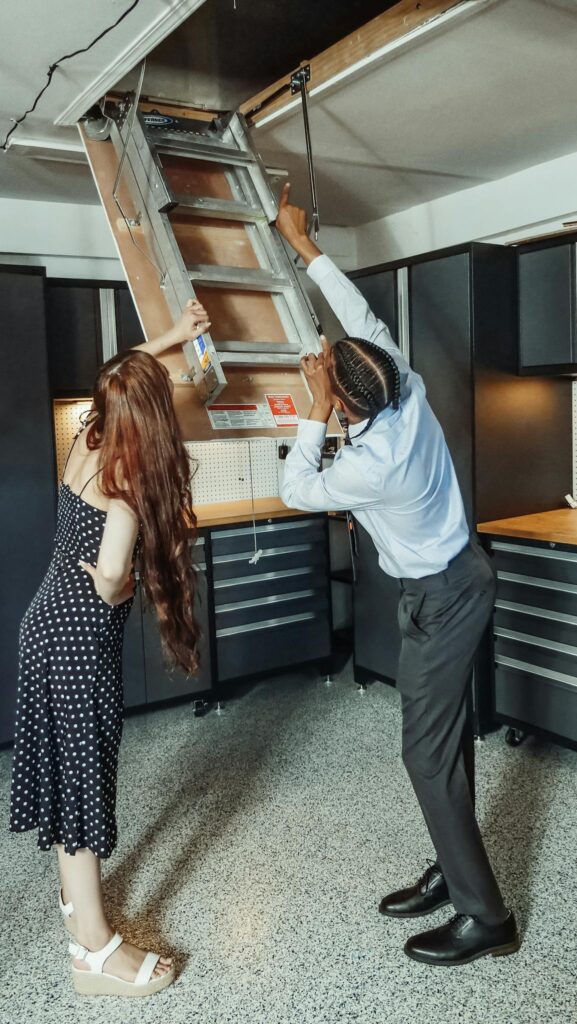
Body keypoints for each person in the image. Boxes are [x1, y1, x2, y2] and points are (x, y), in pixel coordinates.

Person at [276, 183, 519, 967]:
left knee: (424, 754)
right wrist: (303, 245)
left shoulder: (370, 465)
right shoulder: (403, 390)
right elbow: (365, 322)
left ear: (349, 407)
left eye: (332, 391)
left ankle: (486, 918)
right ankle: (455, 872)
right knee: (442, 744)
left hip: (447, 594)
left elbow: (295, 490)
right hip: (444, 585)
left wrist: (310, 403)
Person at [9, 300, 210, 997]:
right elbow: (115, 578)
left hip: (41, 625)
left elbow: (126, 370)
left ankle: (76, 905)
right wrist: (119, 588)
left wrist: (173, 337)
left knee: (69, 775)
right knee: (86, 782)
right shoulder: (127, 480)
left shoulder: (89, 435)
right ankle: (93, 952)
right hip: (79, 638)